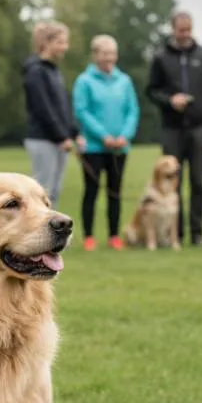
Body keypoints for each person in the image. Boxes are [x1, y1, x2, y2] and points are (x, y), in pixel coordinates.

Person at [146, 10, 202, 246]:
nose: (185, 34)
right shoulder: (161, 57)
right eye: (181, 30)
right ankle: (174, 234)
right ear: (173, 29)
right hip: (173, 128)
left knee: (198, 181)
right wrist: (170, 100)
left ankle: (197, 233)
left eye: (188, 29)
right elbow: (151, 90)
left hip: (199, 127)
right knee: (172, 182)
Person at [72, 34, 140, 251]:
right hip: (93, 147)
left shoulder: (125, 81)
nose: (109, 58)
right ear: (95, 55)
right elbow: (82, 111)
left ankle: (114, 235)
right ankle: (89, 236)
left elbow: (132, 110)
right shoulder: (84, 81)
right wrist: (103, 136)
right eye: (104, 53)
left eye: (112, 53)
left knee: (115, 192)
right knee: (91, 191)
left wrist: (124, 135)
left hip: (120, 147)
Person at [22, 20, 84, 204]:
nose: (65, 47)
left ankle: (51, 233)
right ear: (46, 43)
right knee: (41, 193)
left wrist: (74, 133)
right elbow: (43, 109)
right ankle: (38, 233)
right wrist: (61, 137)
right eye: (61, 42)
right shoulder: (35, 72)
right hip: (42, 139)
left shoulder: (53, 71)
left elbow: (62, 107)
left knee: (54, 192)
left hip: (57, 140)